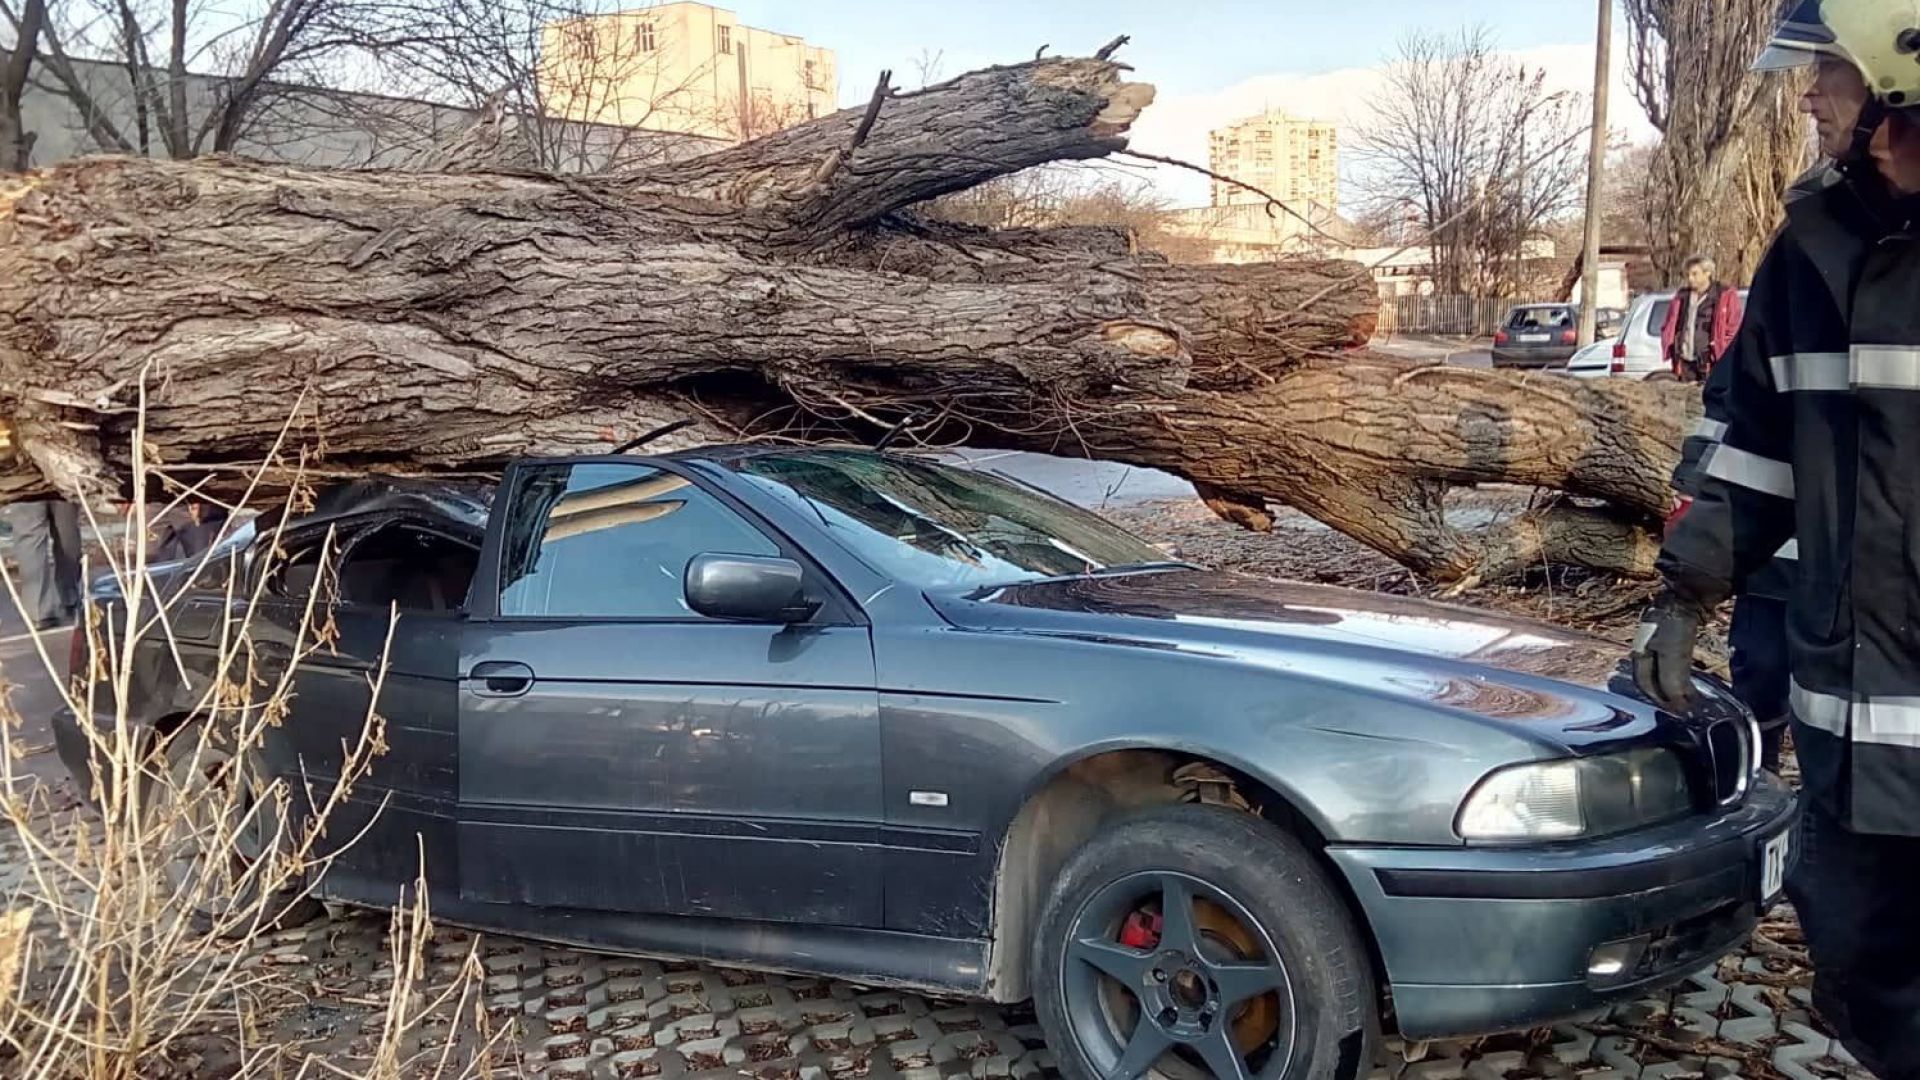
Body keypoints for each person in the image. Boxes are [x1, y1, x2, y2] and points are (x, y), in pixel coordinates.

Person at [1631, 1, 1920, 1071]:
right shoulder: (1813, 248)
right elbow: (1755, 453)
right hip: (1852, 739)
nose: (1808, 96)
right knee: (1861, 969)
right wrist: (1683, 595)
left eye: (1830, 73)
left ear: (1901, 87)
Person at [1667, 357, 1793, 773]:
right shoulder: (1785, 317)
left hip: (1851, 568)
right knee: (1761, 679)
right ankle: (1759, 782)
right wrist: (1690, 491)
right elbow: (1723, 414)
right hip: (1768, 558)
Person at [1659, 254, 1745, 383]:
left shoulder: (1725, 295)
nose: (1690, 278)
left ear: (1707, 273)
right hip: (1686, 361)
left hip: (1712, 361)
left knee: (1710, 399)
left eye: (1694, 274)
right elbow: (1670, 324)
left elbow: (1733, 328)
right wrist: (1671, 345)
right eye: (1688, 274)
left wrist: (1721, 348)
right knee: (1685, 399)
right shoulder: (1682, 296)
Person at [2, 497, 81, 632]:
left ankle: (39, 609)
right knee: (66, 531)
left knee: (31, 536)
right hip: (58, 480)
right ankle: (68, 596)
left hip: (25, 481)